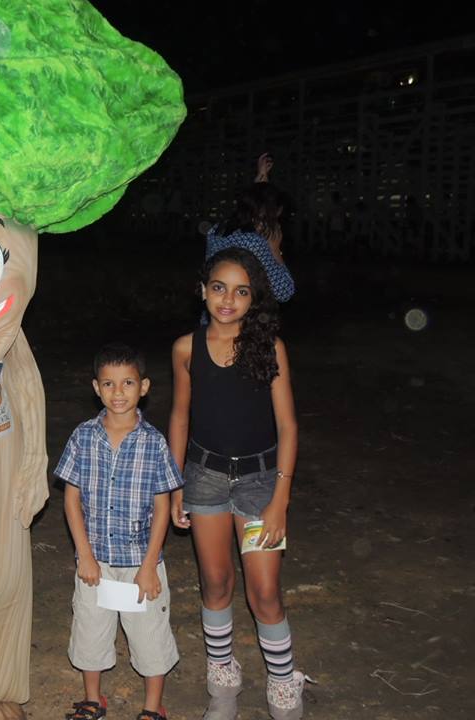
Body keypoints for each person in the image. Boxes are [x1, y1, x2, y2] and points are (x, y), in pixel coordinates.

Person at [168, 248, 304, 720]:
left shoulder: (269, 348)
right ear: (202, 290)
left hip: (260, 482)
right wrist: (174, 484)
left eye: (241, 290)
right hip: (203, 478)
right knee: (216, 581)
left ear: (254, 298)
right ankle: (223, 676)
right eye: (219, 287)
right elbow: (181, 415)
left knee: (264, 591)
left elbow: (287, 426)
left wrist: (280, 499)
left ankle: (284, 681)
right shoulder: (186, 348)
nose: (228, 299)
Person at [56, 343, 183, 720]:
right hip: (95, 562)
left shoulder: (154, 442)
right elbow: (70, 500)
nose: (118, 393)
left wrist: (148, 566)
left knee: (149, 635)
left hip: (140, 563)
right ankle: (93, 699)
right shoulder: (83, 436)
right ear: (97, 388)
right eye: (109, 384)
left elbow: (162, 507)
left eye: (127, 383)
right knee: (90, 631)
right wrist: (84, 555)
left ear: (143, 386)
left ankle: (151, 706)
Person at [206, 182, 295, 303]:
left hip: (215, 313)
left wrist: (261, 177)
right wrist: (275, 250)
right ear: (264, 213)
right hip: (242, 317)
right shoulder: (253, 242)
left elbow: (254, 200)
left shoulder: (216, 230)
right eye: (275, 216)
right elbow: (284, 292)